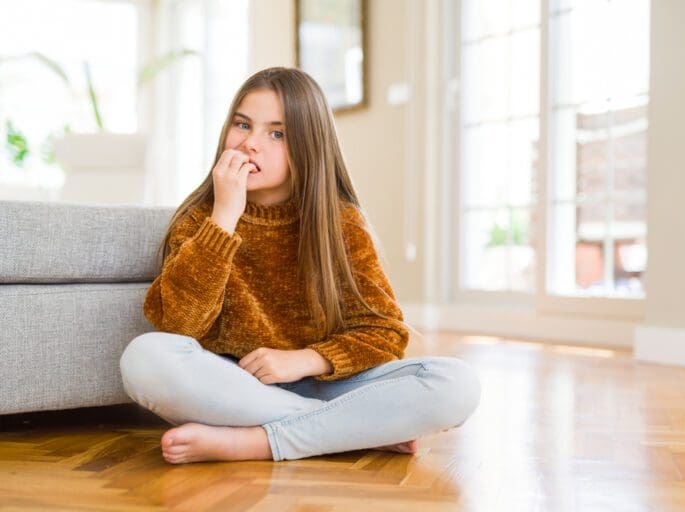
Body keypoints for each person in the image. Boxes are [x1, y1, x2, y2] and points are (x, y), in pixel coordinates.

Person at [119, 67, 481, 464]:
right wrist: (224, 217)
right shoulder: (200, 220)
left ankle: (255, 442)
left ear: (307, 146)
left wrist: (306, 359)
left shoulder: (340, 222)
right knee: (145, 358)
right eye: (243, 125)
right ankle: (350, 430)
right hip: (238, 389)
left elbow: (383, 333)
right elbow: (178, 324)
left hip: (332, 384)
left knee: (457, 384)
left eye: (277, 133)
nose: (251, 144)